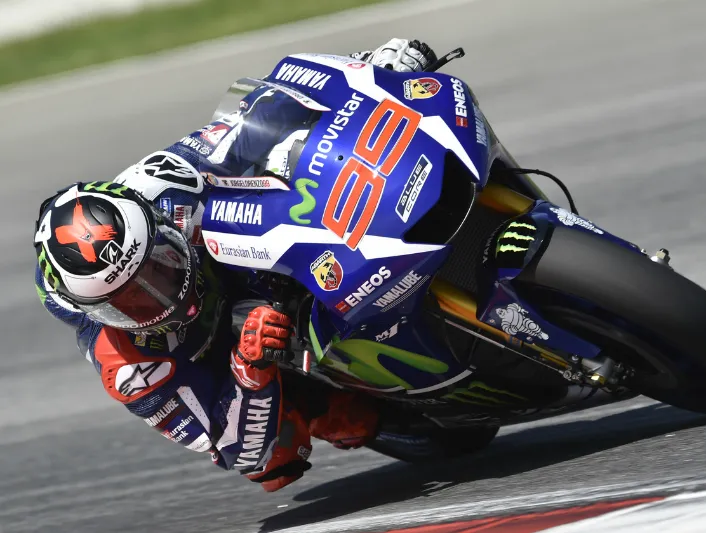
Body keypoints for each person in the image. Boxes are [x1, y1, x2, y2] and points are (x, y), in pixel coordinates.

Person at [32, 39, 438, 492]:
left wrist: (371, 71)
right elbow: (233, 448)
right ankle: (362, 414)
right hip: (231, 355)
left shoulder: (162, 183)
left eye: (158, 268)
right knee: (273, 460)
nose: (157, 298)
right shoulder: (127, 366)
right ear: (98, 314)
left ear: (161, 228)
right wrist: (250, 368)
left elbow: (251, 122)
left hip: (253, 264)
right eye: (129, 302)